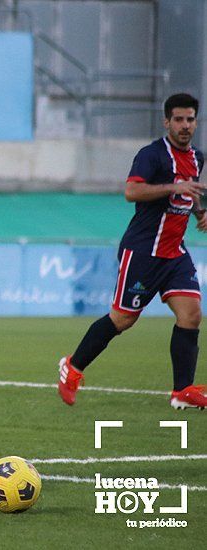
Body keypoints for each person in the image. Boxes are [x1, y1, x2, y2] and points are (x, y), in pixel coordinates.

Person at [58, 93, 207, 409]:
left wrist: (199, 211)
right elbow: (131, 191)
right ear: (166, 122)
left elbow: (190, 190)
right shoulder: (151, 156)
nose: (184, 125)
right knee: (122, 320)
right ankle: (72, 367)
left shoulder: (197, 157)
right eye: (178, 119)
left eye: (190, 119)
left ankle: (182, 391)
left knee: (191, 315)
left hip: (174, 254)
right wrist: (173, 187)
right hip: (142, 251)